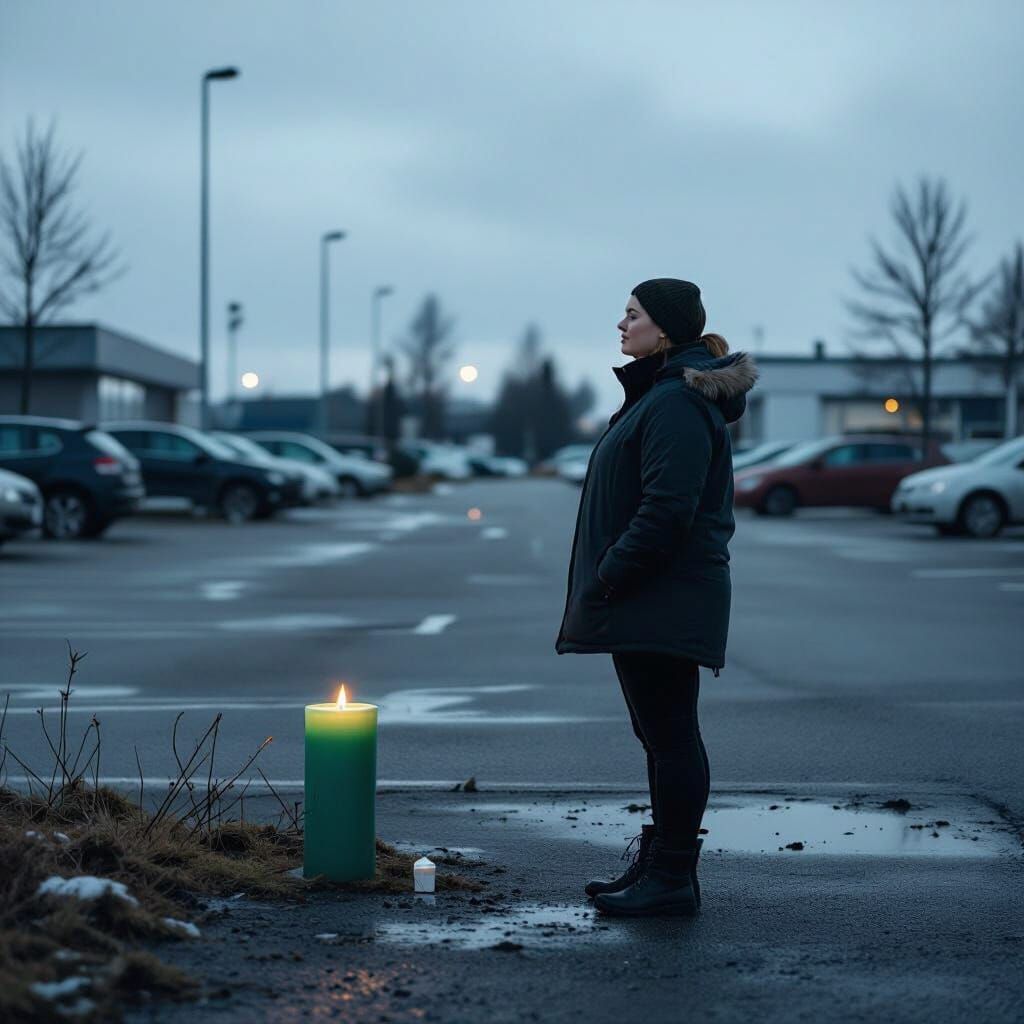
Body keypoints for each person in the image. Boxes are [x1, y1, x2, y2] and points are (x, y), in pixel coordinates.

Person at [555, 278, 757, 917]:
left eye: (633, 314)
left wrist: (612, 573)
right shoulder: (661, 394)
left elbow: (667, 510)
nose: (621, 324)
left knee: (670, 735)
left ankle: (671, 877)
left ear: (664, 330)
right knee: (661, 733)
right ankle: (663, 865)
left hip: (656, 594)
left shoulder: (674, 402)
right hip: (651, 595)